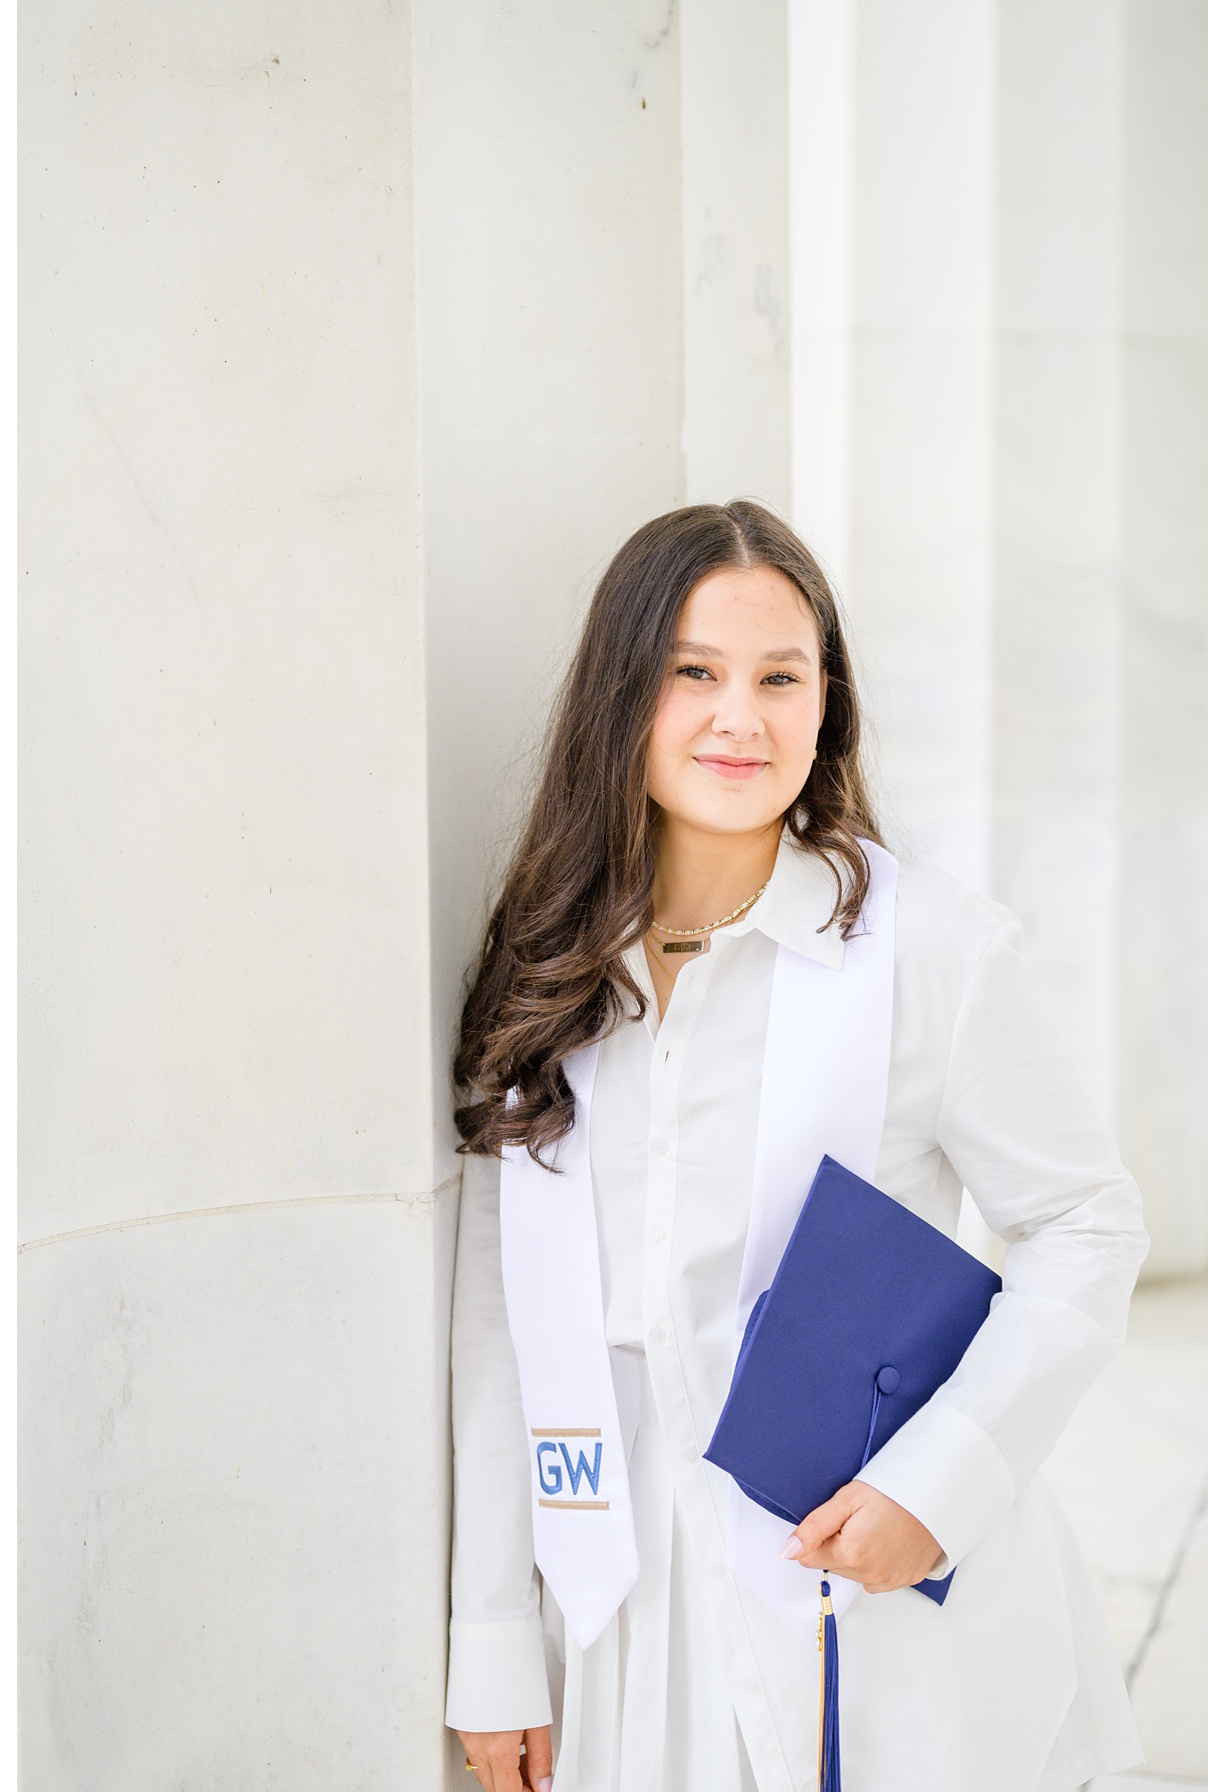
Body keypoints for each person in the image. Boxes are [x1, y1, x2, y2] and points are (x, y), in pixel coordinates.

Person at [444, 503, 1147, 1792]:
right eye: (694, 673)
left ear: (830, 705)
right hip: (617, 1600)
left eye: (783, 677)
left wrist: (945, 1482)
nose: (741, 718)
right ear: (623, 696)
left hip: (851, 1568)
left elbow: (1089, 1224)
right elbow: (499, 1316)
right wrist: (493, 1639)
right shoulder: (548, 966)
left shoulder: (924, 948)